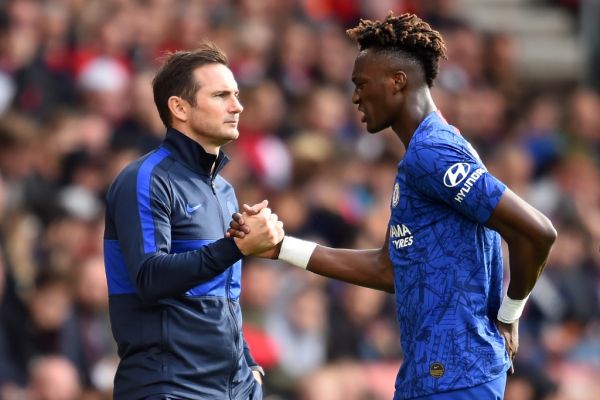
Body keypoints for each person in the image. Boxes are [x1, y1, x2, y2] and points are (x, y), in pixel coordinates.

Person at [230, 13, 557, 400]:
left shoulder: (434, 153)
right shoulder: (422, 156)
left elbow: (538, 232)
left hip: (457, 376)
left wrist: (509, 315)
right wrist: (281, 248)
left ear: (397, 82)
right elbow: (388, 269)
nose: (355, 97)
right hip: (430, 375)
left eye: (361, 84)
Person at [103, 43, 284, 399]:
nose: (237, 106)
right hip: (170, 387)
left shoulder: (224, 189)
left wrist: (249, 367)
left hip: (233, 390)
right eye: (221, 95)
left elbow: (223, 297)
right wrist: (236, 247)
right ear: (179, 107)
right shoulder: (145, 178)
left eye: (236, 95)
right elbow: (150, 277)